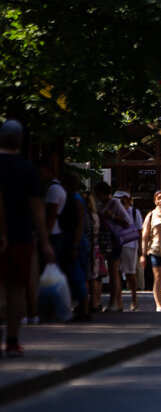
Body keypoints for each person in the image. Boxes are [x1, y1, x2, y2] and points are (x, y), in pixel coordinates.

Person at [0, 120, 55, 357]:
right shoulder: (27, 170)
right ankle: (12, 341)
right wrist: (44, 241)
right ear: (21, 141)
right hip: (20, 236)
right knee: (16, 290)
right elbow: (36, 208)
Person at [93, 181, 131, 312]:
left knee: (113, 271)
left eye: (98, 193)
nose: (97, 195)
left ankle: (113, 302)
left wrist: (113, 216)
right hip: (104, 239)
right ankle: (105, 301)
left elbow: (127, 221)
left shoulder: (114, 203)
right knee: (105, 270)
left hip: (113, 239)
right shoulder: (101, 203)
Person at [59, 172, 90, 321]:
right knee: (78, 274)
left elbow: (79, 225)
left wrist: (75, 246)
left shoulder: (75, 200)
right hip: (75, 241)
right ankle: (81, 307)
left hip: (77, 241)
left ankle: (84, 307)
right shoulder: (74, 198)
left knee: (79, 274)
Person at [115, 190, 141, 311]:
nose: (119, 202)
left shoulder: (134, 212)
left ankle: (134, 299)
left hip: (130, 245)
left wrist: (141, 249)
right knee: (115, 273)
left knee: (130, 273)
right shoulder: (113, 211)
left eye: (122, 200)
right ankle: (118, 301)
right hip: (115, 243)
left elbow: (139, 230)